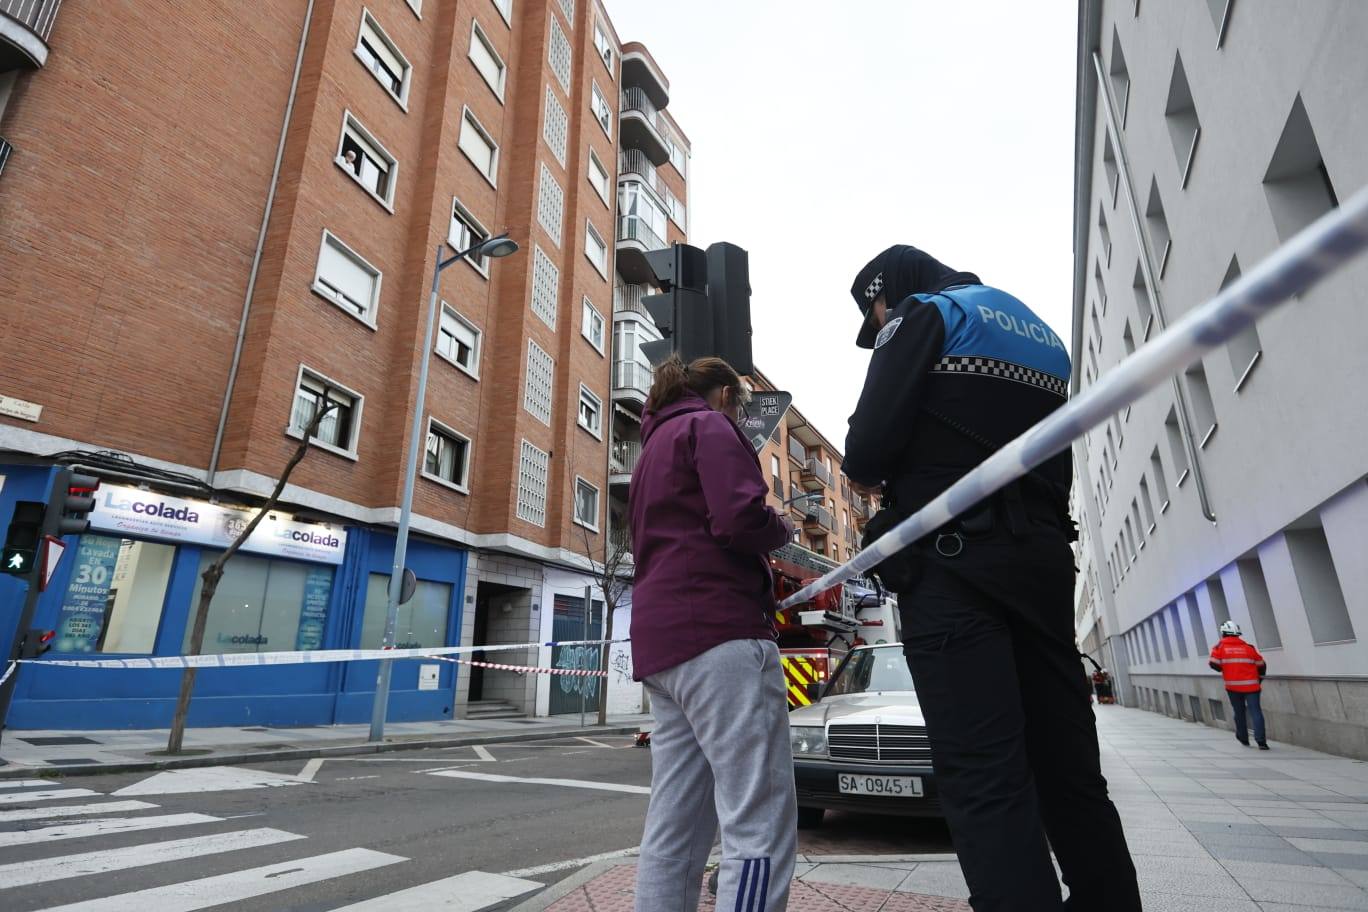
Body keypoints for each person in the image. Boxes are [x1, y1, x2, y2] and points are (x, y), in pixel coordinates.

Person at [840, 245, 1141, 912]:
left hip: (955, 570)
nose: (878, 324)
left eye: (874, 311)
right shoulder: (1036, 331)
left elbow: (865, 453)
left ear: (887, 290)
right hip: (1042, 566)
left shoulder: (924, 314)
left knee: (986, 781)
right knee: (1071, 778)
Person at [628, 354, 798, 912]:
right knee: (759, 821)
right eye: (741, 404)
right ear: (725, 394)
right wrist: (782, 526)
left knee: (674, 823)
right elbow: (739, 519)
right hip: (721, 633)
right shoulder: (710, 426)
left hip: (662, 645)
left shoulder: (652, 447)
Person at [1209, 620, 1269, 749]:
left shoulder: (1220, 647)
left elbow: (1214, 664)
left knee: (1239, 712)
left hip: (1233, 687)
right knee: (1256, 712)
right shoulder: (1248, 648)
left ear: (1224, 633)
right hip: (1252, 687)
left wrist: (1223, 668)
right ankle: (1261, 742)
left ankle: (1243, 738)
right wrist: (1259, 679)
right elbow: (1261, 665)